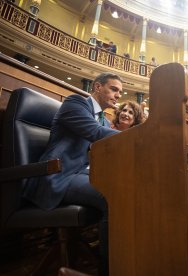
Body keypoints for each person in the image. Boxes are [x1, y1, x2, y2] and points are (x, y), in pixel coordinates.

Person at [23, 72, 123, 276]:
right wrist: (140, 135)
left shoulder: (104, 120)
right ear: (97, 87)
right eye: (114, 89)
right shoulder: (75, 103)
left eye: (120, 92)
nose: (118, 95)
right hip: (56, 176)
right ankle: (108, 271)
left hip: (79, 175)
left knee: (125, 187)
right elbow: (96, 134)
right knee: (112, 197)